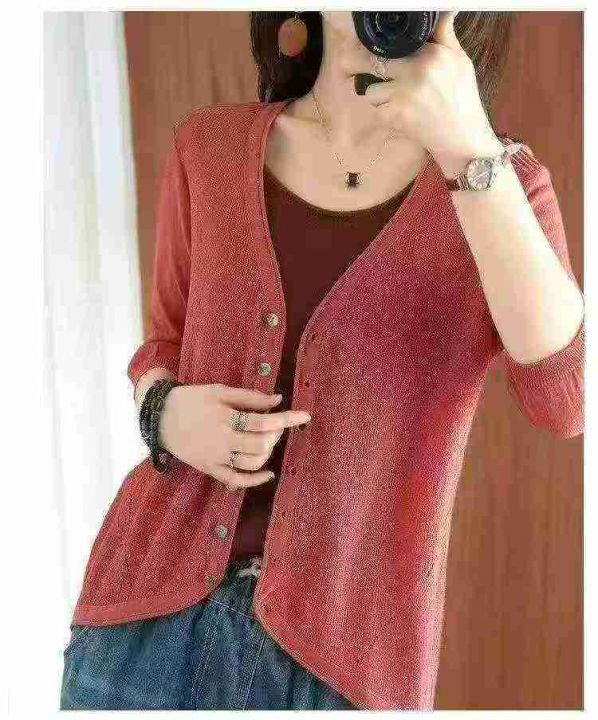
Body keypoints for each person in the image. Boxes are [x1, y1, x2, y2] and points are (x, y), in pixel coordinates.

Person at [60, 11, 584, 711]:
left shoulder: (503, 189)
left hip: (343, 669)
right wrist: (165, 413)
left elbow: (566, 400)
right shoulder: (210, 149)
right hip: (140, 633)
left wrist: (468, 152)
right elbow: (164, 347)